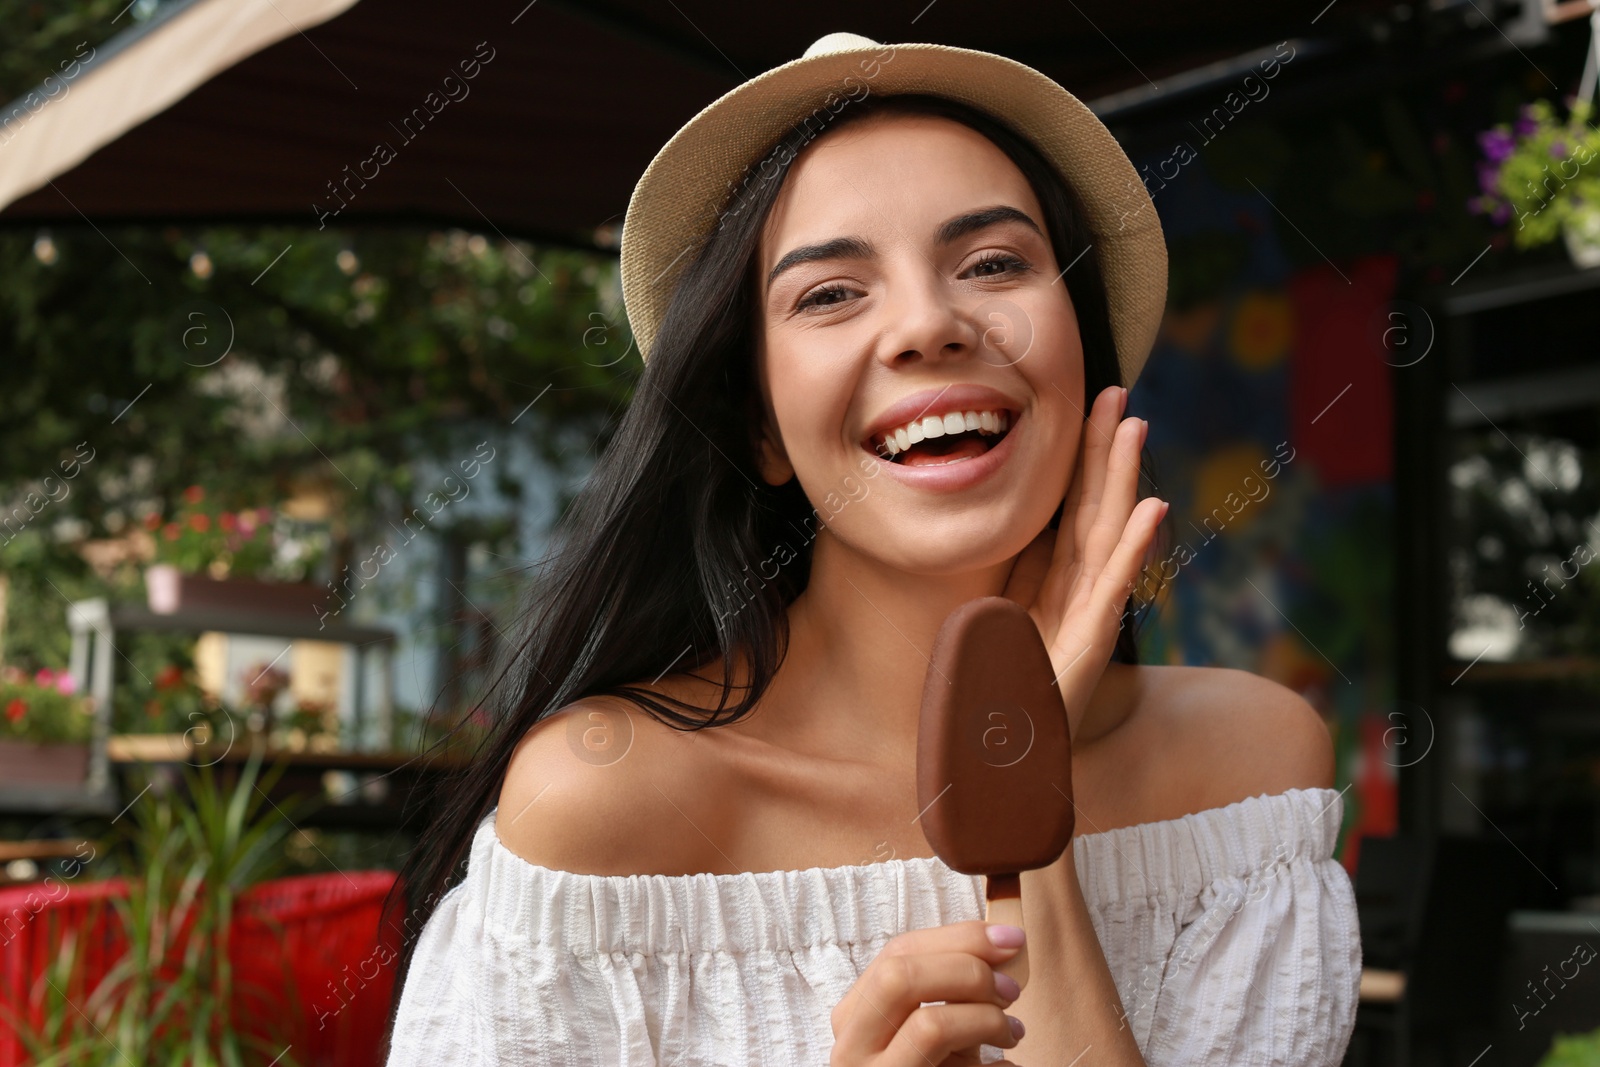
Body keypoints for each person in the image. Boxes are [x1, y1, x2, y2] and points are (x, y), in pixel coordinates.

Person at [381, 32, 1361, 1066]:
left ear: (1083, 361)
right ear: (757, 426)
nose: (928, 324)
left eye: (992, 263)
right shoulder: (606, 803)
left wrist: (1022, 774)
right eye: (830, 292)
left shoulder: (1248, 773)